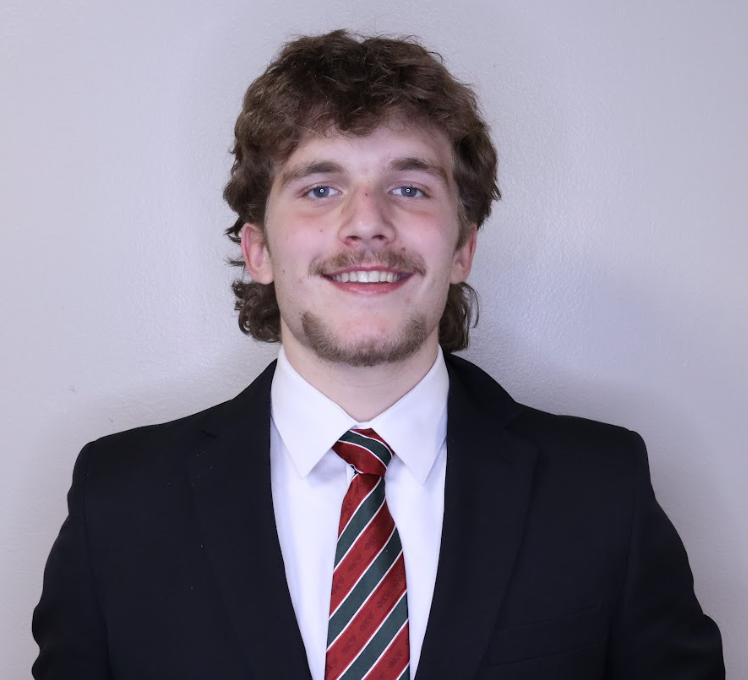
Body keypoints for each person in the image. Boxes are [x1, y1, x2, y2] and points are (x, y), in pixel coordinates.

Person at [33, 30, 724, 680]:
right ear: (259, 250)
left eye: (409, 188)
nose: (366, 223)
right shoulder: (118, 503)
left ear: (462, 249)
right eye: (320, 188)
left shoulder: (602, 490)